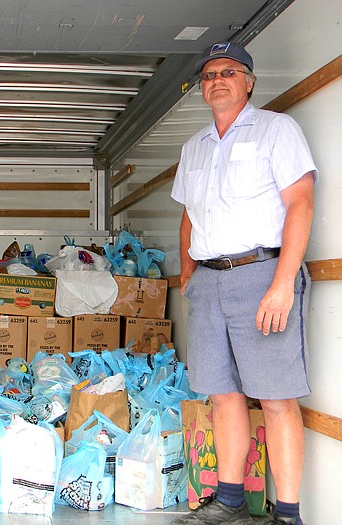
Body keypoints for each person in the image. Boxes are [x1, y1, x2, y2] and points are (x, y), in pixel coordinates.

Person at [170, 42, 316, 525]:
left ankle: (289, 515)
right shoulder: (193, 147)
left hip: (261, 276)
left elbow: (300, 204)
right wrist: (188, 272)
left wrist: (281, 283)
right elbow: (189, 216)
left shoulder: (278, 129)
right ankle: (229, 500)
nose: (218, 80)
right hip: (209, 282)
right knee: (222, 394)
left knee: (275, 397)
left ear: (249, 81)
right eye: (209, 75)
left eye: (229, 71)